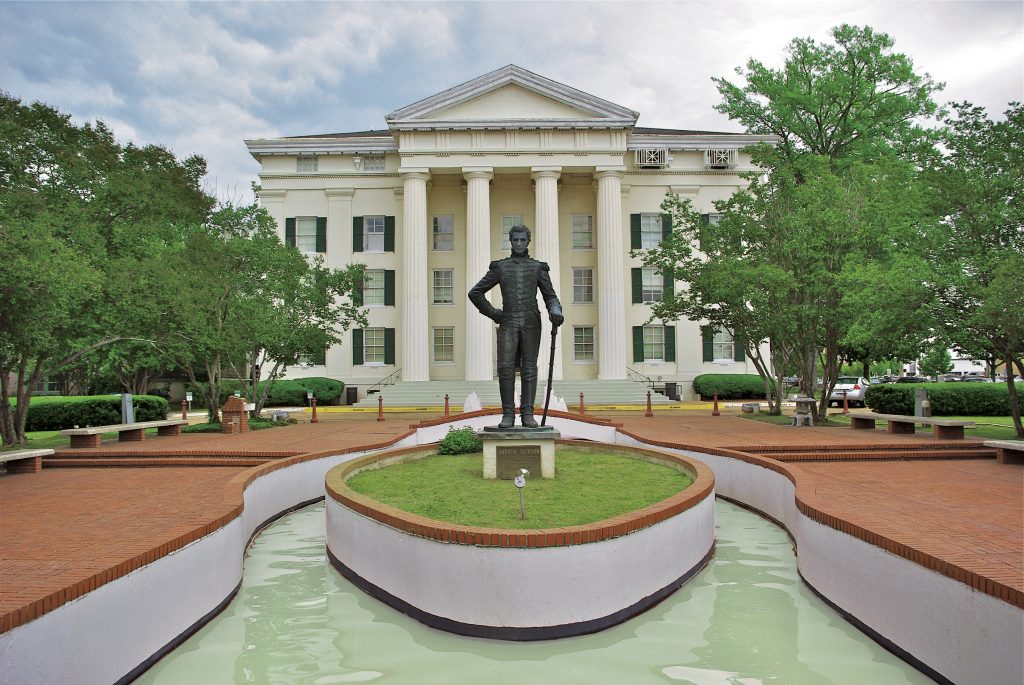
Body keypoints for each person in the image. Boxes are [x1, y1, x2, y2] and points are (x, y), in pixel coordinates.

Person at [468, 225, 563, 428]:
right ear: (510, 241)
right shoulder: (501, 267)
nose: (519, 243)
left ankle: (527, 413)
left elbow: (550, 296)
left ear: (528, 242)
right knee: (505, 368)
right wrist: (493, 313)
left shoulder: (538, 268)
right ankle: (508, 414)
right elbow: (475, 292)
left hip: (531, 321)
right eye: (515, 240)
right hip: (508, 321)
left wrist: (556, 310)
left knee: (529, 368)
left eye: (522, 240)